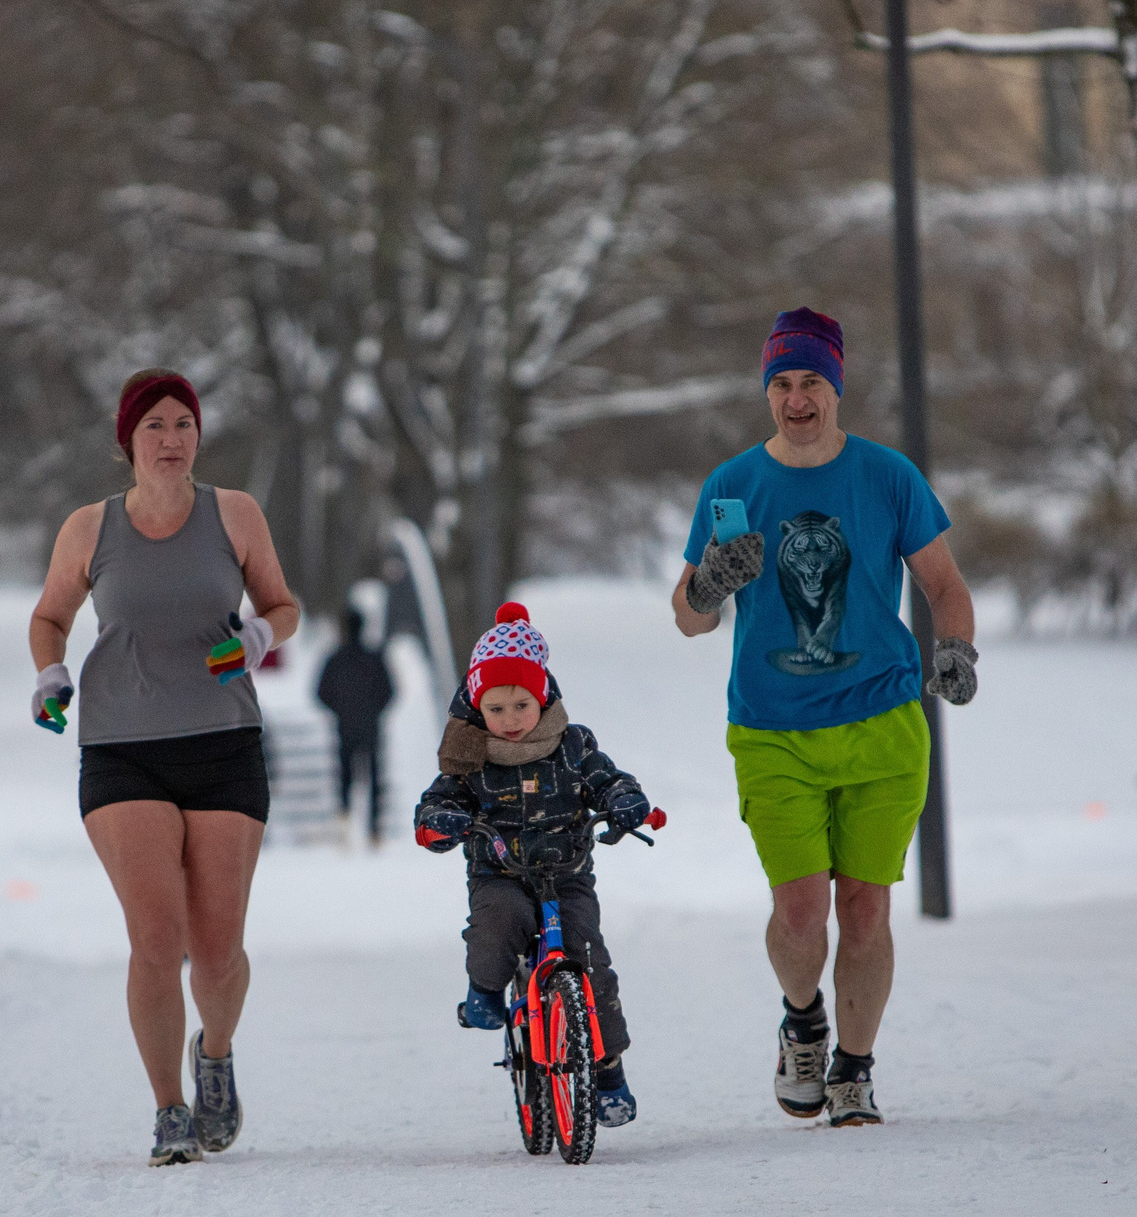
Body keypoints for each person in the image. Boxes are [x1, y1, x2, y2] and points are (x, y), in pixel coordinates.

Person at [671, 306, 978, 1128]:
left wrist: (953, 650)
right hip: (773, 728)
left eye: (811, 382)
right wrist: (706, 586)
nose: (797, 399)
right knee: (801, 909)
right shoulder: (732, 486)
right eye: (782, 383)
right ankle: (802, 1019)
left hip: (881, 721)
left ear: (836, 387)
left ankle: (854, 1069)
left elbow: (943, 585)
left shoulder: (888, 477)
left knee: (866, 909)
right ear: (766, 391)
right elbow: (689, 620)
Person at [28, 368, 302, 1166]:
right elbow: (50, 616)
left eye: (184, 424)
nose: (172, 440)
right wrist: (50, 674)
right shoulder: (89, 529)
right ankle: (169, 1111)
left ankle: (213, 1052)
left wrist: (257, 639)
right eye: (155, 427)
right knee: (156, 938)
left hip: (223, 745)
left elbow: (285, 607)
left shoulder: (235, 515)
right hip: (120, 750)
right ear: (128, 442)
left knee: (217, 953)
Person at [414, 602, 652, 1128]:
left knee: (591, 959)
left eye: (521, 705)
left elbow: (608, 779)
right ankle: (485, 991)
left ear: (542, 696)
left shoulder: (572, 744)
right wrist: (442, 821)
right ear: (479, 708)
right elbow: (439, 801)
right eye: (495, 709)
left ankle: (608, 1070)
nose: (510, 720)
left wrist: (623, 801)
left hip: (565, 874)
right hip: (500, 873)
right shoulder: (468, 753)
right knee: (496, 923)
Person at [316, 605, 397, 847]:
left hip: (345, 728)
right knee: (373, 778)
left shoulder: (334, 659)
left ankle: (345, 825)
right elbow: (390, 691)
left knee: (345, 777)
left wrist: (340, 711)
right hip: (370, 727)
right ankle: (374, 830)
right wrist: (374, 712)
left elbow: (320, 692)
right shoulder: (374, 658)